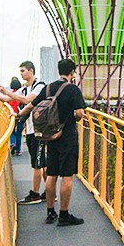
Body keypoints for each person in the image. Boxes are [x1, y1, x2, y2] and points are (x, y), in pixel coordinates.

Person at [30, 58, 87, 225]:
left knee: (52, 174)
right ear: (72, 73)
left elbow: (33, 105)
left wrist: (19, 116)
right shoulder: (73, 89)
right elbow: (79, 113)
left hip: (51, 136)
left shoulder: (47, 88)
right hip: (67, 137)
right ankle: (64, 214)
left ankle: (50, 213)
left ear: (58, 70)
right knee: (67, 176)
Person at [0, 62, 45, 193]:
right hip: (30, 129)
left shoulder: (39, 86)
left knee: (37, 163)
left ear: (31, 71)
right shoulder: (24, 89)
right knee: (41, 162)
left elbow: (27, 100)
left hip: (39, 130)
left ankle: (36, 192)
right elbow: (6, 98)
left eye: (23, 71)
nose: (21, 74)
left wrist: (6, 91)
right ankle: (48, 191)